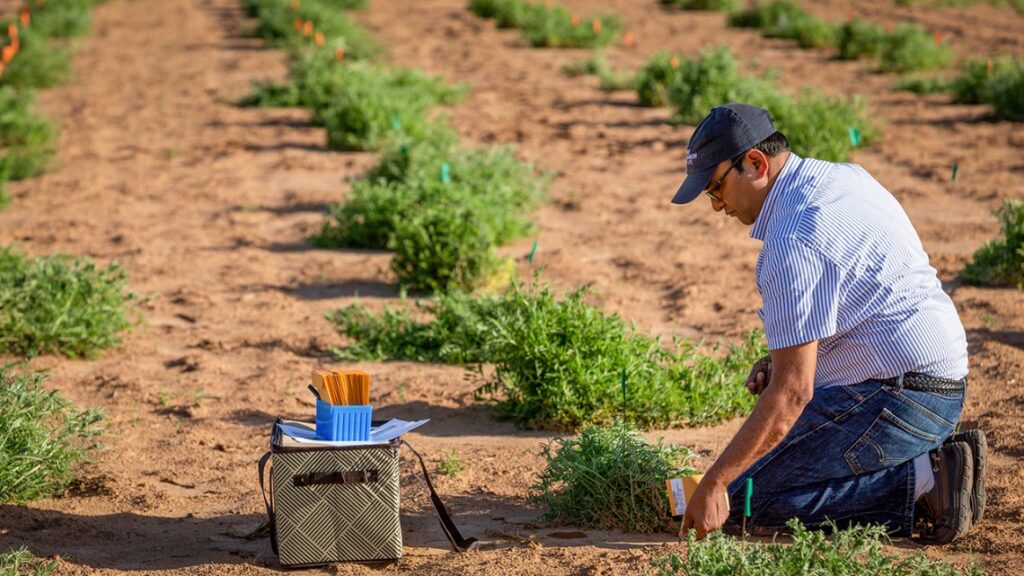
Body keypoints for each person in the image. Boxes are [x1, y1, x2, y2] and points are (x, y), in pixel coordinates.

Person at [670, 103, 985, 544]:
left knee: (742, 503)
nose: (715, 204)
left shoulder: (791, 240)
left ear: (755, 163)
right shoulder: (843, 177)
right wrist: (781, 359)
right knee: (747, 474)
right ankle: (919, 463)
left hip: (900, 399)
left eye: (715, 187)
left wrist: (717, 483)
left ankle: (926, 480)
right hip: (940, 383)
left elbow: (793, 393)